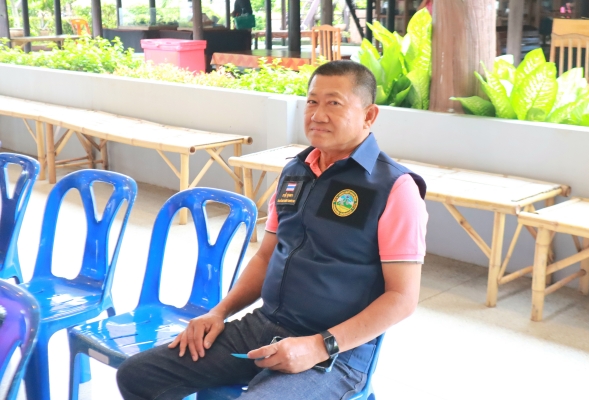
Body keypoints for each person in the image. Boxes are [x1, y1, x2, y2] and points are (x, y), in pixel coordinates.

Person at [116, 60, 428, 400]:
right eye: (312, 101)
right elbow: (267, 256)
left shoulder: (394, 188)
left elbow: (402, 298)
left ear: (369, 115)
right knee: (138, 375)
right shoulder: (295, 171)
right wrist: (219, 312)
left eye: (334, 103)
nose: (317, 114)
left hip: (335, 353)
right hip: (264, 326)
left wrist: (318, 346)